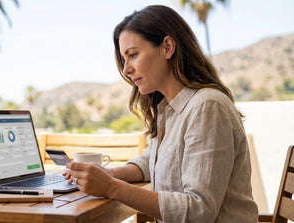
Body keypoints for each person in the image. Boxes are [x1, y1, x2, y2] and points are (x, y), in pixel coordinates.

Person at [63, 5, 258, 223]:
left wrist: (111, 187)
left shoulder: (207, 107)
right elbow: (154, 161)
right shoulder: (169, 109)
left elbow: (199, 210)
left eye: (133, 55)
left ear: (167, 47)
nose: (126, 69)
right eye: (123, 59)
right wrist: (110, 174)